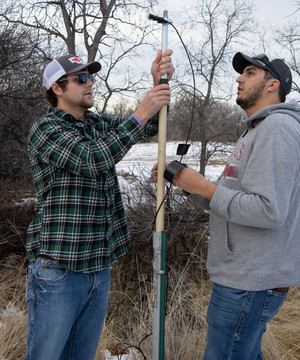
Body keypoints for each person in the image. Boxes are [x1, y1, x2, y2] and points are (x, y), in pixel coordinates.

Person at [25, 49, 174, 360]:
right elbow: (93, 158)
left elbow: (149, 127)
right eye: (81, 78)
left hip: (99, 267)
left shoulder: (95, 123)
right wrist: (141, 112)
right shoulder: (46, 129)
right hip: (60, 268)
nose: (90, 82)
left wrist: (158, 84)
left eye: (91, 76)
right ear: (57, 88)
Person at [153, 52, 300, 359]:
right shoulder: (257, 129)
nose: (238, 78)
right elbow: (232, 198)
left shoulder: (277, 129)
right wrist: (183, 181)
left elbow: (268, 210)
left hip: (251, 281)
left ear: (273, 84)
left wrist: (202, 185)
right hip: (243, 277)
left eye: (249, 72)